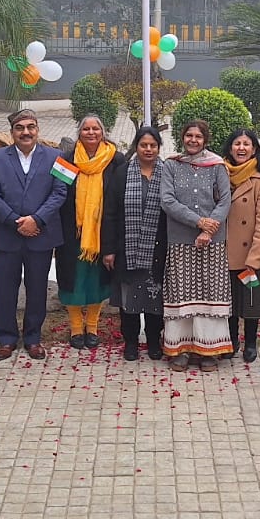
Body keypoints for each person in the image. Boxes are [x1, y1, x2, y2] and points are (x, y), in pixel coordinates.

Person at [0, 109, 66, 360]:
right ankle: (6, 339)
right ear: (12, 132)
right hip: (7, 235)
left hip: (40, 234)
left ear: (38, 130)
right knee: (5, 289)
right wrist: (15, 221)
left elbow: (60, 193)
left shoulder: (57, 157)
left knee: (37, 288)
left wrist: (36, 219)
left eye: (31, 127)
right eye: (20, 128)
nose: (26, 132)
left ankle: (33, 338)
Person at [159, 120, 233, 372]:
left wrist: (208, 229)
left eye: (198, 136)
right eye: (189, 135)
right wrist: (199, 222)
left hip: (212, 243)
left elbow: (225, 199)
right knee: (182, 294)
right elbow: (167, 200)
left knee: (210, 294)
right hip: (181, 240)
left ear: (205, 139)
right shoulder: (171, 165)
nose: (193, 140)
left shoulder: (216, 165)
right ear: (182, 137)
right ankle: (181, 349)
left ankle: (208, 351)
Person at [54, 114, 121, 349]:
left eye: (96, 128)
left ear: (103, 132)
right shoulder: (67, 159)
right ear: (79, 133)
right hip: (72, 232)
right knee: (73, 281)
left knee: (97, 281)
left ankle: (91, 327)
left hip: (103, 232)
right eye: (86, 129)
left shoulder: (115, 160)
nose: (91, 133)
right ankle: (75, 328)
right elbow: (57, 195)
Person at [102, 126, 168, 361]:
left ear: (159, 148)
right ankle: (130, 342)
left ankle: (153, 341)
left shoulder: (167, 173)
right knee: (128, 299)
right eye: (143, 145)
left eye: (153, 145)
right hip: (126, 249)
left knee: (155, 298)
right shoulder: (122, 173)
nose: (148, 149)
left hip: (157, 249)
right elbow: (109, 214)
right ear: (136, 147)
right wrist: (108, 250)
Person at [223, 128, 260, 363]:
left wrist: (253, 260)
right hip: (225, 253)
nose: (241, 148)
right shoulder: (220, 174)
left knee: (252, 302)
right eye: (237, 144)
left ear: (254, 149)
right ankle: (232, 340)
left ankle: (251, 343)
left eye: (246, 144)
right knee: (231, 302)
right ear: (230, 148)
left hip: (252, 255)